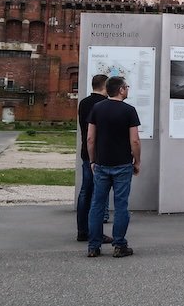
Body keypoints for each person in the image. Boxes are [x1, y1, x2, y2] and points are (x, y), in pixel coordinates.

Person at [86, 76, 141, 258]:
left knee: (97, 205)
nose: (128, 89)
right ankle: (119, 245)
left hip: (101, 164)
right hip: (123, 164)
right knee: (121, 206)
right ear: (121, 90)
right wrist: (137, 161)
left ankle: (93, 246)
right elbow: (134, 140)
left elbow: (90, 138)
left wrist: (93, 161)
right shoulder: (129, 111)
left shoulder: (97, 108)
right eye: (127, 86)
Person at [76, 74, 112, 243]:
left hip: (86, 152)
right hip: (100, 154)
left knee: (85, 192)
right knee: (98, 195)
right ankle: (95, 232)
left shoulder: (83, 103)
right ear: (105, 86)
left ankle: (82, 230)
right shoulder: (104, 105)